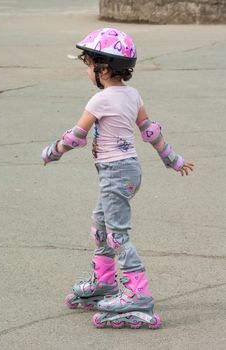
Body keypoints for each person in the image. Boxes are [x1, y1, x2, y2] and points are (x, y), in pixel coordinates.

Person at [42, 28, 194, 329]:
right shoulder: (133, 95)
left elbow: (76, 136)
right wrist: (172, 159)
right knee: (100, 225)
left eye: (89, 65)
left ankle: (138, 294)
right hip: (129, 171)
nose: (87, 71)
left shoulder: (99, 101)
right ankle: (105, 283)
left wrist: (53, 151)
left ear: (104, 68)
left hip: (114, 174)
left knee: (117, 234)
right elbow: (150, 131)